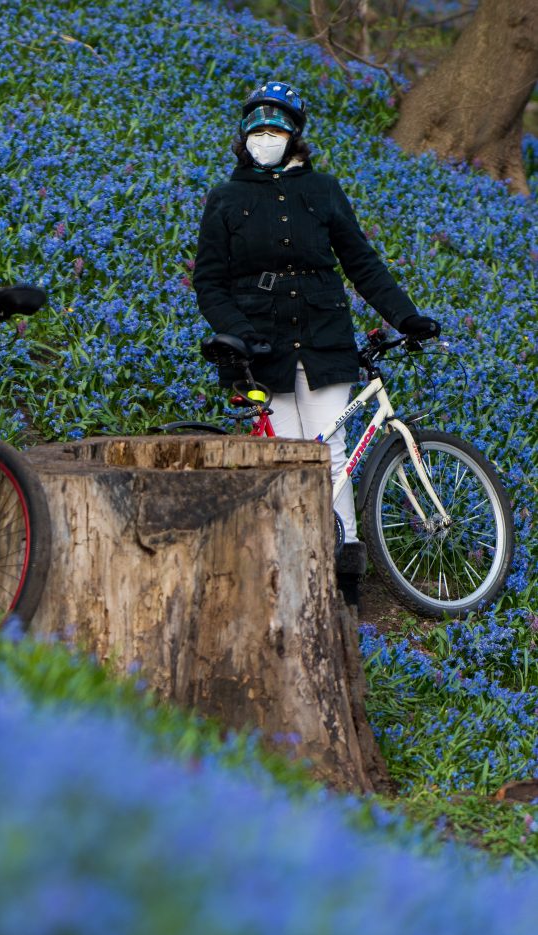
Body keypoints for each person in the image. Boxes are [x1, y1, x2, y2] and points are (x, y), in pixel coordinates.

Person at [193, 80, 440, 600]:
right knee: (287, 455)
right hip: (262, 343)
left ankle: (345, 563)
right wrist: (235, 334)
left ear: (295, 134)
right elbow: (209, 282)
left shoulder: (323, 190)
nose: (266, 133)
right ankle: (295, 564)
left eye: (277, 124)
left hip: (325, 335)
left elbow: (360, 262)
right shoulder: (225, 199)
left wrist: (405, 316)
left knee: (329, 449)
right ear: (243, 135)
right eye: (257, 125)